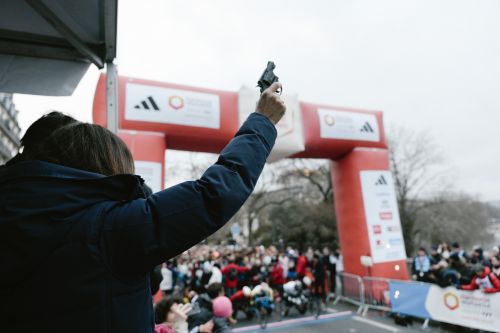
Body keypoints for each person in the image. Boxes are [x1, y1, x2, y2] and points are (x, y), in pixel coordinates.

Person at [0, 83, 286, 332]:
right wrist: (262, 121)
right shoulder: (106, 230)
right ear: (103, 167)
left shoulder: (16, 213)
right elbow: (213, 194)